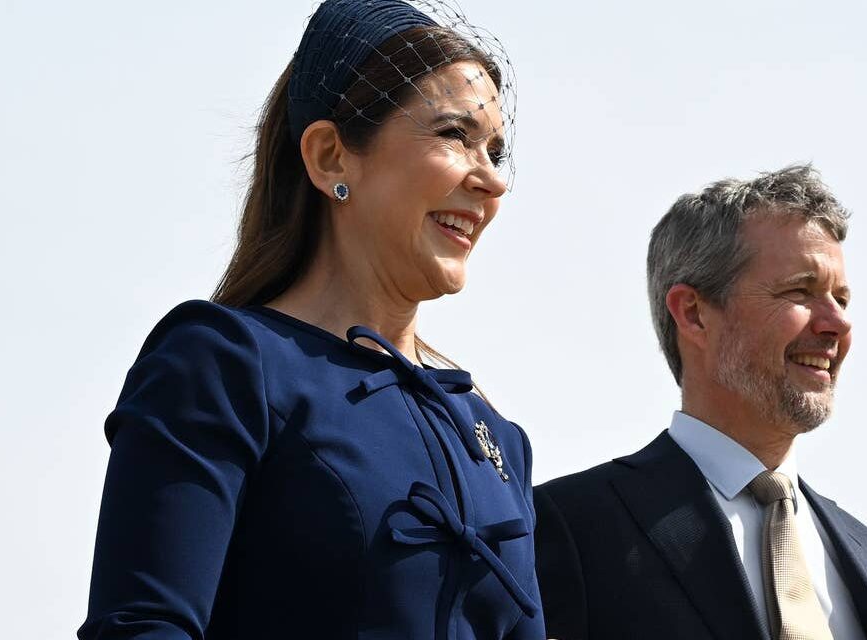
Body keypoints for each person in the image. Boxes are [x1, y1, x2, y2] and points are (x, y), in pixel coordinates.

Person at [78, 2, 544, 638]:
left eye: (495, 149)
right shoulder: (224, 365)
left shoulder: (493, 434)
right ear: (330, 157)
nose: (492, 180)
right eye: (454, 135)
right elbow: (143, 626)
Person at [534, 166, 867, 640]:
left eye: (841, 298)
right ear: (694, 313)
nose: (837, 325)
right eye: (801, 290)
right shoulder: (572, 526)